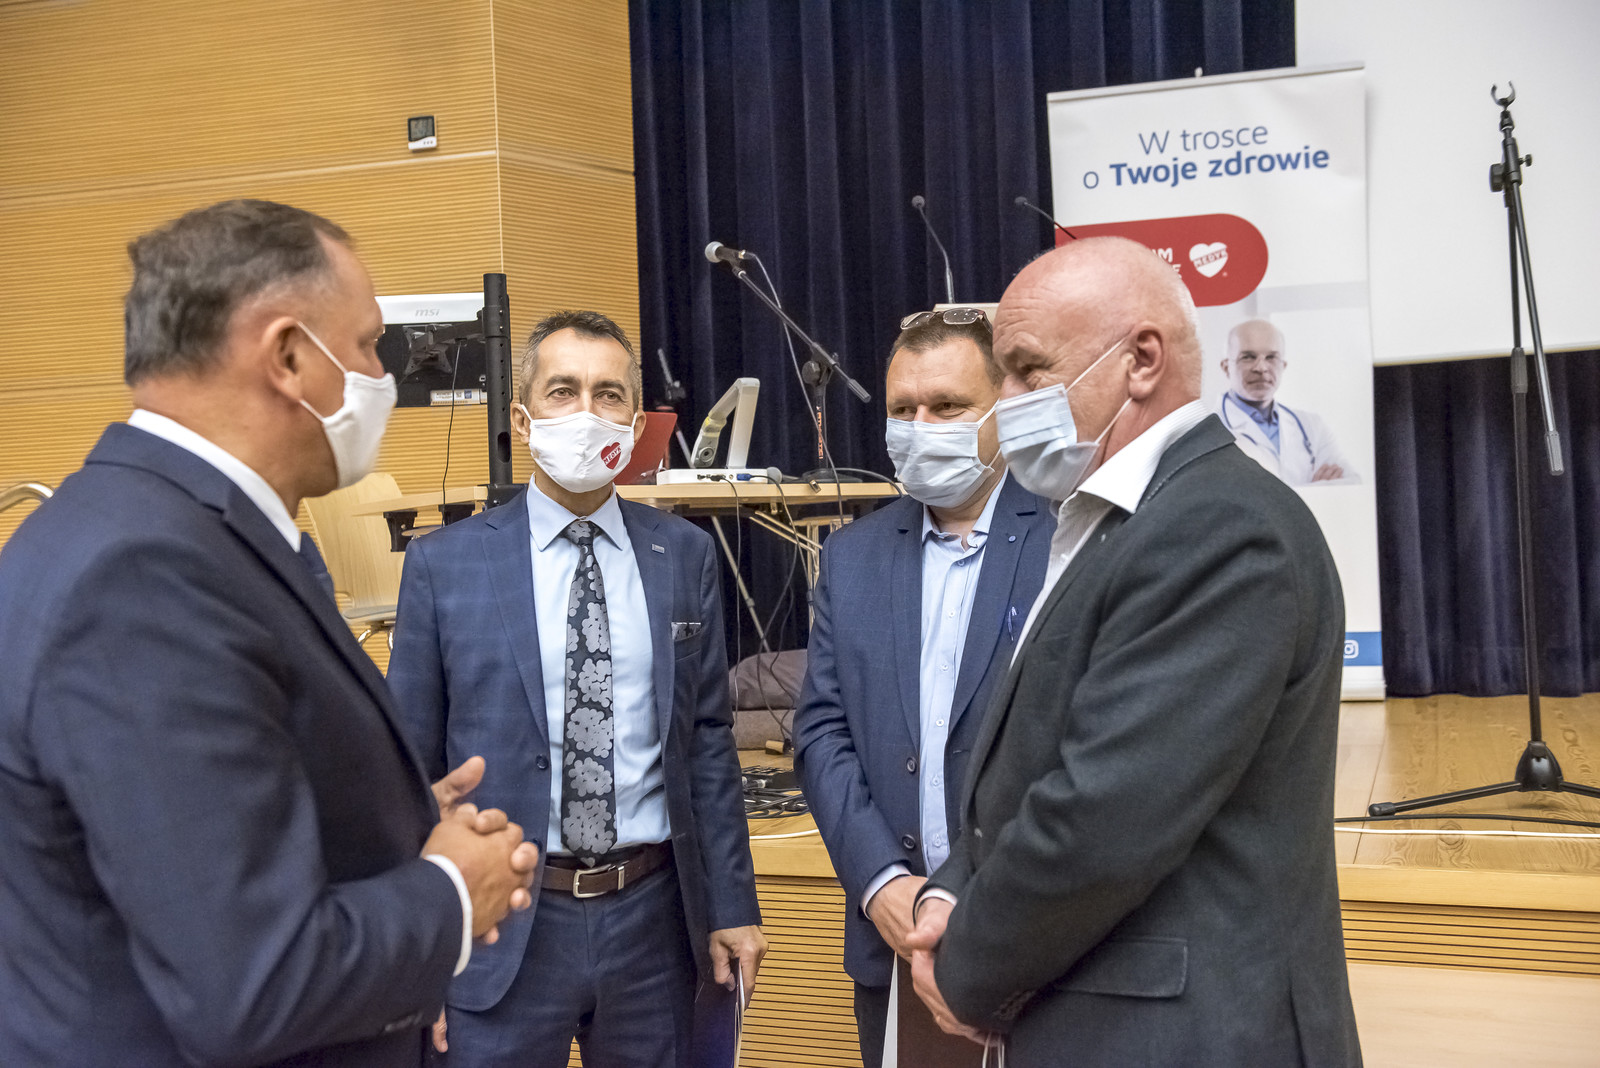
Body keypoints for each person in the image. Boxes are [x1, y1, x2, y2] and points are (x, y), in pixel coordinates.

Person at [0, 199, 539, 1067]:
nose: (381, 376)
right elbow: (251, 982)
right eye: (368, 346)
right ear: (289, 356)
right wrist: (449, 891)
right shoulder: (143, 576)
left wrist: (384, 821)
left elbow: (191, 826)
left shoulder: (164, 527)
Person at [905, 238, 1362, 1066]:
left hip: (1186, 1037)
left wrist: (964, 967)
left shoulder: (1218, 527)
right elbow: (1032, 766)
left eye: (1027, 371)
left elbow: (1102, 817)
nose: (1003, 404)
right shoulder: (1117, 521)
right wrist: (950, 892)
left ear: (1142, 361)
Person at [387, 310, 766, 1067]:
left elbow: (707, 741)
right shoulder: (443, 566)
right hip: (500, 920)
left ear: (636, 422)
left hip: (653, 922)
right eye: (563, 391)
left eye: (608, 394)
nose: (587, 412)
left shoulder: (683, 555)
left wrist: (732, 904)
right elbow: (408, 768)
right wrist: (416, 944)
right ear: (523, 420)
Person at [793, 308, 1052, 1068]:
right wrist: (879, 881)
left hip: (1036, 938)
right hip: (895, 942)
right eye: (903, 410)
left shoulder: (1066, 538)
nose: (921, 427)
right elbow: (822, 731)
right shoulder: (853, 558)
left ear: (1003, 410)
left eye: (947, 406)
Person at [1217, 318, 1359, 485]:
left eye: (1271, 357)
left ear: (1283, 366)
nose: (1261, 368)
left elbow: (1352, 484)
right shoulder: (1208, 433)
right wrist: (1315, 490)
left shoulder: (1312, 426)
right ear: (1226, 367)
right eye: (1248, 357)